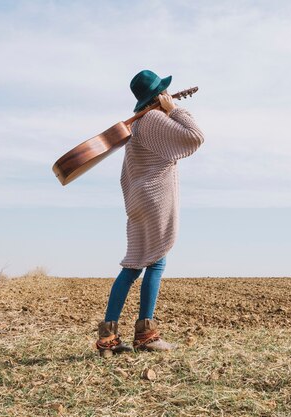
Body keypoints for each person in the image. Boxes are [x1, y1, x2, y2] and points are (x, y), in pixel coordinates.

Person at [95, 70, 204, 357]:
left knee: (133, 266)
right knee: (155, 262)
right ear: (158, 96)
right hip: (155, 199)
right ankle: (145, 335)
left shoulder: (138, 126)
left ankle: (108, 338)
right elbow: (194, 138)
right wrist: (175, 109)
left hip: (139, 200)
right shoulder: (154, 120)